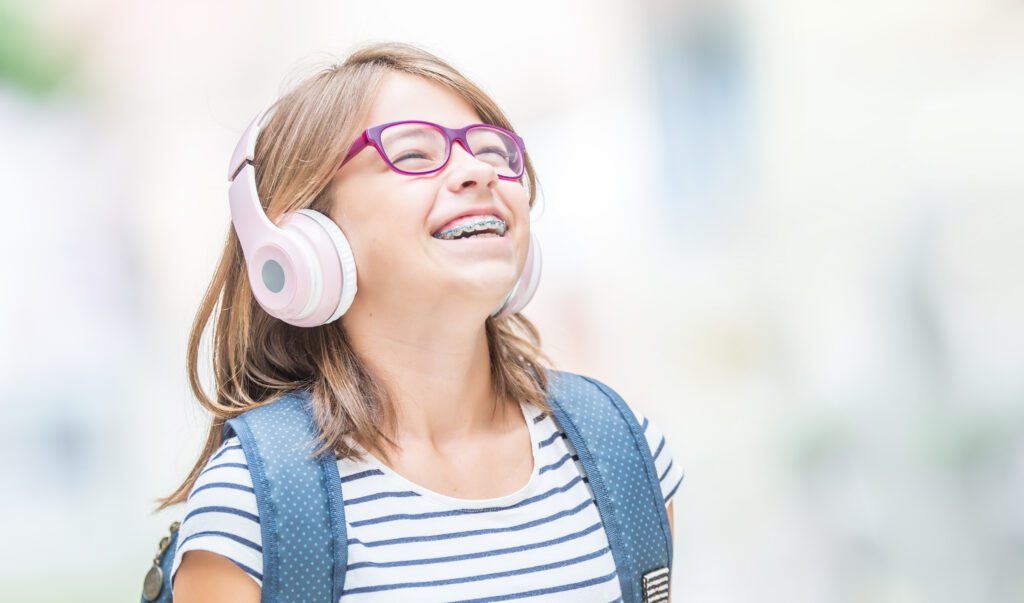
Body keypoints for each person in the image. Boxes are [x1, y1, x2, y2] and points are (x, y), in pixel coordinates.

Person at [155, 41, 685, 602]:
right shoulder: (256, 511)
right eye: (411, 154)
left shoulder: (624, 455)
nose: (478, 172)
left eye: (493, 152)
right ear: (303, 241)